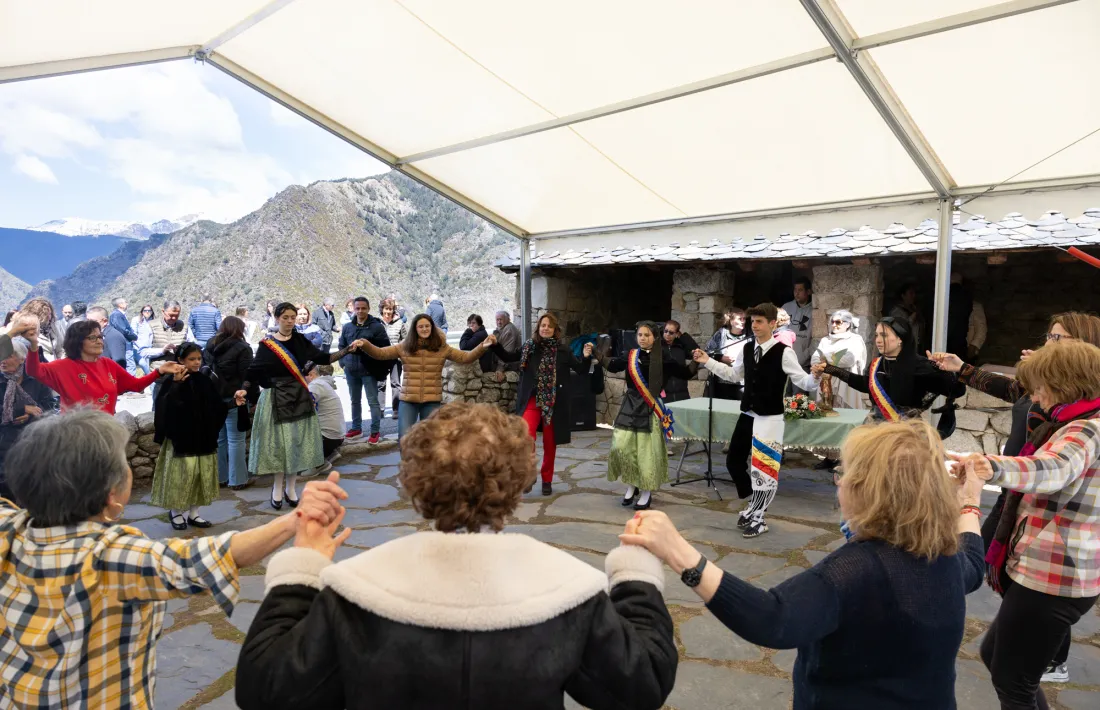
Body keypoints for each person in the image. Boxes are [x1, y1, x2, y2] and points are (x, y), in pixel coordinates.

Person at [235, 401, 677, 710]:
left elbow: (267, 691)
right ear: (517, 482)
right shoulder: (568, 593)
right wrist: (636, 577)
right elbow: (642, 684)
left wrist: (304, 569)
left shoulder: (354, 593)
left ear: (414, 482)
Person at [620, 419, 986, 710]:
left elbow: (774, 619)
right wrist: (970, 499)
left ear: (866, 490)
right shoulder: (943, 555)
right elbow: (973, 561)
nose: (838, 482)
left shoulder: (857, 570)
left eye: (843, 475)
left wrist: (677, 551)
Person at [0, 408, 348, 710]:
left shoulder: (9, 528)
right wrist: (296, 522)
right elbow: (212, 556)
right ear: (112, 496)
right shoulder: (109, 557)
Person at [929, 311, 1100, 684]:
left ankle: (1051, 657)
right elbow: (1015, 391)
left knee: (1013, 679)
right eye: (1049, 338)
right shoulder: (1072, 414)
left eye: (1058, 340)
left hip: (1057, 568)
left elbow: (1052, 468)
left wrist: (988, 466)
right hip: (1041, 551)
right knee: (1000, 660)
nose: (1035, 397)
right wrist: (965, 370)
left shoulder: (1085, 427)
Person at [693, 303, 819, 537]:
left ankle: (760, 517)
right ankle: (754, 503)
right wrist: (707, 361)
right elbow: (733, 374)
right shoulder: (748, 348)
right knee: (733, 461)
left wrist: (816, 376)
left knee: (764, 468)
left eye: (760, 322)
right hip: (748, 414)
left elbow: (805, 382)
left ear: (772, 324)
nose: (755, 325)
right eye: (753, 321)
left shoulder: (784, 352)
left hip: (770, 418)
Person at [236, 302, 359, 509]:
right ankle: (277, 488)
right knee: (279, 447)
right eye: (285, 317)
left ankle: (291, 488)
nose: (290, 321)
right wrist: (244, 390)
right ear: (276, 319)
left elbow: (324, 357)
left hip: (299, 397)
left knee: (294, 444)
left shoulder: (301, 341)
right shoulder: (267, 345)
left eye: (293, 317)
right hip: (275, 398)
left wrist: (348, 349)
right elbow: (253, 371)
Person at [491, 313, 592, 495]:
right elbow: (508, 356)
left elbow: (581, 369)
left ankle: (547, 480)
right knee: (526, 436)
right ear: (538, 328)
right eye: (543, 325)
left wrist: (585, 356)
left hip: (553, 402)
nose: (545, 328)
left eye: (549, 326)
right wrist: (495, 344)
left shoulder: (563, 351)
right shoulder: (530, 347)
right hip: (532, 398)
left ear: (555, 330)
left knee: (549, 443)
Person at [598, 320, 693, 511]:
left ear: (655, 337)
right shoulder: (630, 355)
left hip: (650, 409)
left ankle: (647, 491)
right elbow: (612, 365)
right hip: (630, 406)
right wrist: (595, 352)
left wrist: (698, 361)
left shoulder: (664, 358)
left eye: (647, 335)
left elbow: (685, 373)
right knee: (623, 447)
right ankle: (632, 484)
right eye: (640, 335)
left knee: (646, 452)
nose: (643, 338)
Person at [353, 314, 493, 440]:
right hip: (408, 401)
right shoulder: (405, 347)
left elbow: (465, 357)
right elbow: (381, 353)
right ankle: (408, 467)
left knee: (431, 439)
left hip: (431, 401)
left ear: (432, 328)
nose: (424, 329)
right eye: (421, 326)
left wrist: (482, 346)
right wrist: (365, 344)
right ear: (415, 329)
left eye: (427, 326)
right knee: (405, 438)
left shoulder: (442, 348)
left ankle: (426, 468)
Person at [812, 316, 966, 430]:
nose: (878, 340)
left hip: (906, 433)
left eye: (884, 335)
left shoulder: (920, 365)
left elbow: (956, 390)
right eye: (877, 335)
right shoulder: (878, 364)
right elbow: (866, 385)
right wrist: (831, 369)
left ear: (900, 339)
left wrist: (946, 370)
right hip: (875, 429)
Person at [24, 318, 178, 414]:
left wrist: (160, 371)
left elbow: (136, 385)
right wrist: (33, 345)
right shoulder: (63, 366)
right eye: (92, 338)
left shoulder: (108, 364)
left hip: (106, 431)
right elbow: (33, 370)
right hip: (74, 435)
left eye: (100, 336)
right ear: (77, 342)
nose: (99, 341)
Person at [150, 343, 227, 530]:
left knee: (200, 476)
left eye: (199, 359)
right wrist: (176, 384)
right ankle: (176, 512)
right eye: (192, 359)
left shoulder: (205, 380)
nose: (197, 362)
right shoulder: (171, 381)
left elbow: (216, 405)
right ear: (180, 360)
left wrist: (233, 403)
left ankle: (194, 513)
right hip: (181, 439)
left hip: (203, 437)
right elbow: (165, 408)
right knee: (181, 477)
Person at [808, 309, 868, 471]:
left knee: (844, 417)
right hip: (826, 382)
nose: (834, 325)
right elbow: (815, 357)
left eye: (838, 322)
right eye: (832, 321)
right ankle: (828, 456)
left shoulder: (855, 340)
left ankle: (844, 458)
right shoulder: (825, 340)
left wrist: (825, 359)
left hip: (845, 383)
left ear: (848, 324)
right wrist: (831, 358)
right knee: (826, 417)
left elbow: (849, 359)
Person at [203, 316, 254, 491]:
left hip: (213, 400)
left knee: (220, 439)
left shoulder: (209, 345)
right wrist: (250, 395)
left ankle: (220, 477)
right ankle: (238, 479)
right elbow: (248, 376)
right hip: (235, 399)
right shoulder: (243, 348)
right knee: (236, 440)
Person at [0, 336, 53, 501]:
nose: (2, 360)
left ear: (22, 358)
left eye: (8, 356)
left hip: (32, 444)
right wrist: (20, 409)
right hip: (3, 447)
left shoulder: (35, 379)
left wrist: (32, 413)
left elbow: (50, 407)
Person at [338, 297, 391, 444]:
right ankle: (356, 428)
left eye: (363, 308)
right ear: (353, 309)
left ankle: (375, 432)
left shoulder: (377, 327)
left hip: (369, 371)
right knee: (354, 401)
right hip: (351, 371)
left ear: (368, 309)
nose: (360, 311)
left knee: (373, 402)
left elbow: (385, 348)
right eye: (357, 308)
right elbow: (341, 346)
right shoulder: (347, 327)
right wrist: (344, 364)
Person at [306, 363, 343, 476]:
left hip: (328, 436)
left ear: (311, 375)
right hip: (336, 435)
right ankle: (329, 454)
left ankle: (318, 464)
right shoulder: (322, 383)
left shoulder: (315, 386)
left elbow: (304, 408)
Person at [704, 307, 749, 400]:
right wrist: (721, 358)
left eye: (744, 319)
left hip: (742, 382)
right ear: (731, 321)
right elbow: (708, 352)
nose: (743, 321)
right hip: (722, 382)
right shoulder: (721, 334)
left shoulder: (750, 335)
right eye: (740, 319)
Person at [378, 298, 407, 418]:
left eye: (390, 309)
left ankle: (396, 410)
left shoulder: (400, 323)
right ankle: (380, 410)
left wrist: (399, 349)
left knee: (395, 384)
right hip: (380, 358)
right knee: (380, 384)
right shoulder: (376, 322)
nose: (388, 312)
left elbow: (405, 339)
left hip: (395, 358)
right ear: (382, 309)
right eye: (386, 309)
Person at [660, 320, 699, 405]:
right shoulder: (657, 347)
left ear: (676, 334)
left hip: (682, 393)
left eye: (671, 332)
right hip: (664, 394)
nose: (667, 334)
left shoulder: (680, 346)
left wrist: (682, 336)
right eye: (665, 331)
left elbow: (696, 350)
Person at [781, 276, 814, 371]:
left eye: (800, 290)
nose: (796, 293)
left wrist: (804, 356)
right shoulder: (786, 307)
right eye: (795, 289)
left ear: (808, 291)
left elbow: (815, 338)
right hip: (784, 361)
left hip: (803, 364)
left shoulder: (814, 310)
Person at [141, 300, 189, 364]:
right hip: (158, 370)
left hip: (180, 370)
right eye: (171, 315)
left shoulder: (184, 327)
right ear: (163, 312)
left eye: (177, 315)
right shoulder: (151, 326)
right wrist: (162, 351)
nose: (174, 318)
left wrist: (181, 350)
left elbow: (193, 348)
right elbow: (143, 352)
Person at [19, 297, 65, 361]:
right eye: (46, 315)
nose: (49, 317)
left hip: (55, 366)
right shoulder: (25, 331)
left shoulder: (53, 326)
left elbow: (60, 349)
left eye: (50, 314)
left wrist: (60, 363)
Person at [889, 280, 925, 353]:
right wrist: (912, 317)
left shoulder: (914, 309)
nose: (913, 296)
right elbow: (899, 329)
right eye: (911, 293)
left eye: (914, 293)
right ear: (903, 296)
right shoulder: (896, 312)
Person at [130, 304, 155, 374]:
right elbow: (133, 334)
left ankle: (150, 383)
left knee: (149, 367)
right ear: (142, 312)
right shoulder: (136, 320)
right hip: (137, 349)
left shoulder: (153, 322)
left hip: (149, 349)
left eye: (149, 310)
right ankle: (151, 381)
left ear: (152, 312)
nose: (147, 312)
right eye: (145, 310)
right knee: (143, 364)